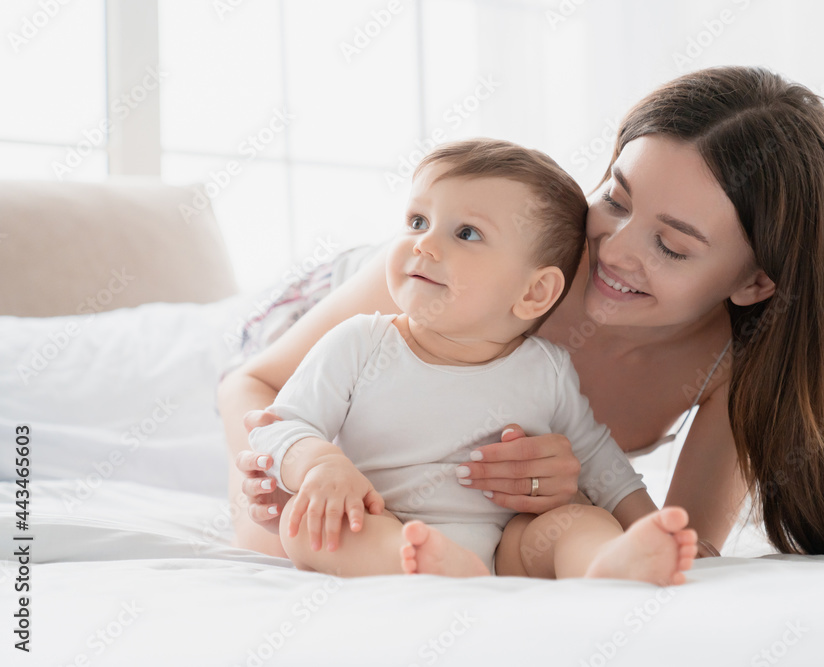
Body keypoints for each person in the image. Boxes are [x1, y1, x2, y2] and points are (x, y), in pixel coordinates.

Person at [220, 66, 824, 575]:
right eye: (617, 196)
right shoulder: (498, 264)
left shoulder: (732, 362)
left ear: (755, 281)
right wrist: (283, 469)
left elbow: (679, 536)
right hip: (313, 327)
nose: (614, 248)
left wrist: (582, 511)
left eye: (670, 244)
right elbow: (252, 383)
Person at [244, 138, 698, 582]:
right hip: (382, 519)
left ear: (534, 292)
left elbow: (602, 463)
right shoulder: (361, 342)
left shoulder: (547, 369)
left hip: (508, 549)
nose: (424, 244)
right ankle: (411, 560)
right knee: (308, 527)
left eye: (466, 233)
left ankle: (609, 562)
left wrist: (645, 525)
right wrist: (320, 465)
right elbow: (279, 425)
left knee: (579, 521)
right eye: (418, 221)